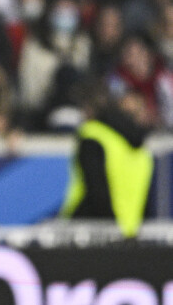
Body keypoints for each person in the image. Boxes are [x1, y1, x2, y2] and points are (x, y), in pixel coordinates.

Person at [60, 88, 154, 238]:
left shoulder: (93, 135)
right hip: (129, 233)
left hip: (91, 232)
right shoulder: (143, 150)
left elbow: (97, 190)